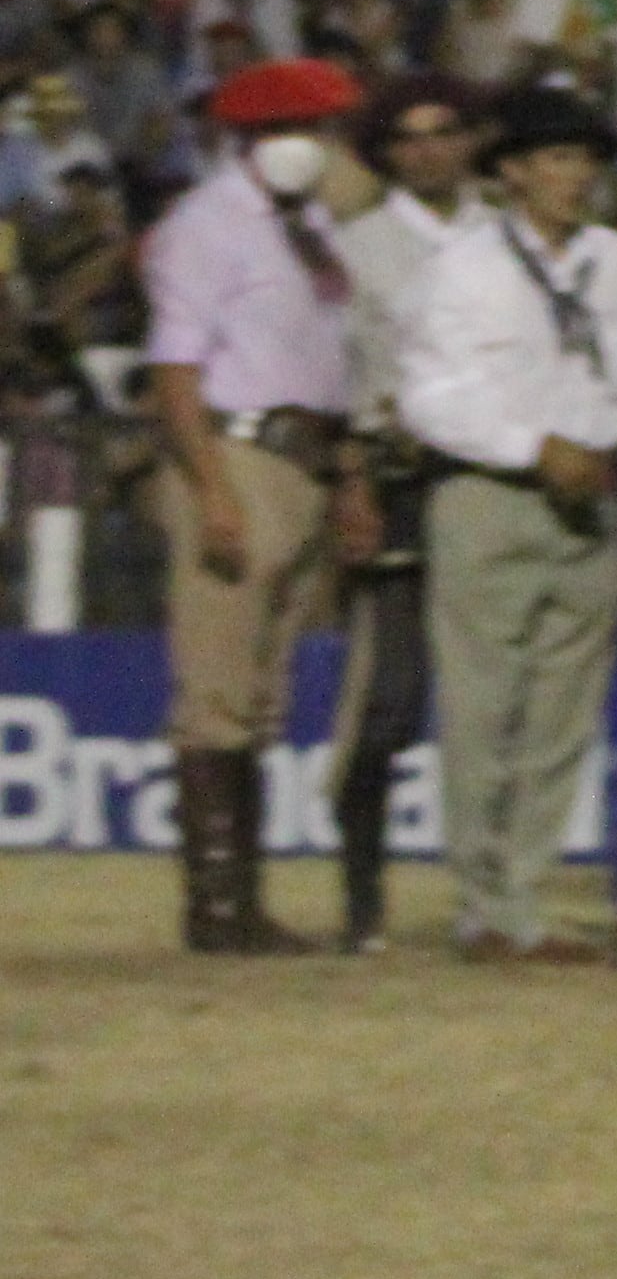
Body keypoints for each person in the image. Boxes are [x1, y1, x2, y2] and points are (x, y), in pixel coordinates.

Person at [139, 57, 385, 954]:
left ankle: (239, 897)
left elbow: (337, 365)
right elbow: (173, 369)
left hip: (302, 458)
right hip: (237, 454)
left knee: (259, 690)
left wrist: (348, 478)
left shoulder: (311, 228)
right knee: (216, 688)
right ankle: (216, 903)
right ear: (277, 140)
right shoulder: (207, 227)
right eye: (323, 132)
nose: (336, 149)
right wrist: (209, 491)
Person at [397, 88, 617, 965]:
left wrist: (601, 444)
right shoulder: (463, 265)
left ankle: (527, 901)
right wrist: (532, 446)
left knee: (560, 717)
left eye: (583, 161)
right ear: (511, 174)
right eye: (554, 161)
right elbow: (427, 394)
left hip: (589, 501)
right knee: (481, 707)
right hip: (490, 493)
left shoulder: (616, 262)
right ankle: (482, 906)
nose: (574, 178)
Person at [327, 75, 487, 953]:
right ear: (389, 154)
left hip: (489, 476)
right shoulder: (360, 245)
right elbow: (345, 373)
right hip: (398, 478)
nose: (429, 150)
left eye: (443, 133)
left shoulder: (499, 235)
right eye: (411, 138)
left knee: (491, 698)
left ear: (466, 142)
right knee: (390, 697)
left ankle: (488, 903)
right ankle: (363, 900)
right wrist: (350, 478)